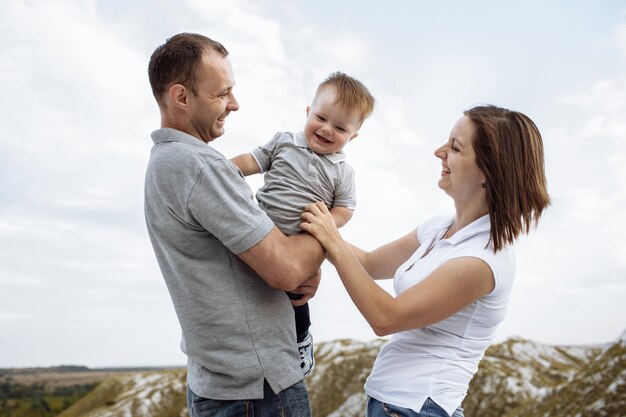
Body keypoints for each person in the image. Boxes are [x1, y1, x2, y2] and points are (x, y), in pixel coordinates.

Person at [300, 105, 550, 417]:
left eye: (455, 147)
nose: (439, 152)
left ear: (491, 169)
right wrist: (308, 231)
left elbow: (386, 317)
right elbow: (367, 263)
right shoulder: (437, 229)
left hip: (419, 408)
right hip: (393, 404)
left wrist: (331, 239)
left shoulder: (483, 259)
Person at [144, 32, 325, 417]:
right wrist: (326, 230)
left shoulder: (164, 163)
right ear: (180, 96)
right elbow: (287, 270)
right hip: (256, 391)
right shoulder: (199, 166)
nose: (234, 104)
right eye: (221, 93)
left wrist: (303, 262)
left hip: (221, 384)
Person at [231, 71, 375, 376]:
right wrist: (223, 169)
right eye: (321, 117)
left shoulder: (343, 171)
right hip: (262, 230)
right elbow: (252, 161)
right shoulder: (284, 143)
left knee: (297, 296)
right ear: (308, 112)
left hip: (300, 240)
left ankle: (299, 340)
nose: (326, 129)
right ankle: (247, 344)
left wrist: (326, 223)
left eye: (339, 127)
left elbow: (346, 208)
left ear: (353, 136)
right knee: (249, 290)